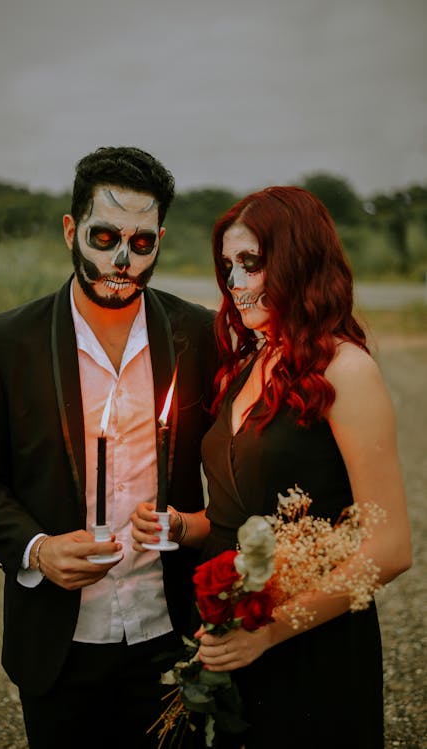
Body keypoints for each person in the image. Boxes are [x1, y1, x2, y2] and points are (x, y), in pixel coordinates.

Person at [0, 146, 216, 749]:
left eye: (142, 242)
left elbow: (236, 467)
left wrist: (199, 524)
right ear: (71, 229)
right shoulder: (4, 342)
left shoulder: (198, 335)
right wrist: (36, 549)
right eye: (104, 235)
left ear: (160, 239)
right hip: (58, 647)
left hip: (173, 636)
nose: (122, 258)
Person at [132, 186, 412, 748]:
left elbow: (390, 549)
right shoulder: (251, 361)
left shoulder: (345, 370)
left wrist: (272, 632)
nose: (234, 284)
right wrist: (186, 527)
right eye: (228, 267)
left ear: (298, 261)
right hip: (228, 632)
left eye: (251, 264)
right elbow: (242, 517)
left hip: (309, 641)